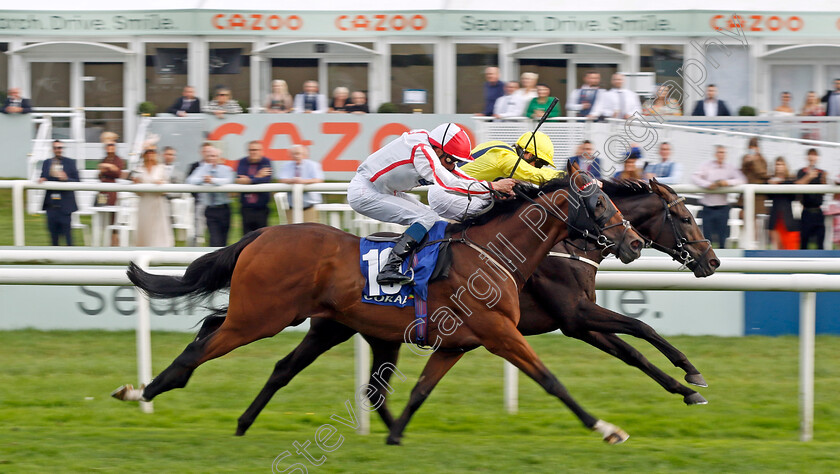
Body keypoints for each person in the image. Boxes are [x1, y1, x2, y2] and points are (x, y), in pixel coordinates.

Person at [348, 123, 516, 285]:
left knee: (434, 220)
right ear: (438, 150)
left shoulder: (432, 148)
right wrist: (492, 186)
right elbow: (448, 182)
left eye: (455, 161)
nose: (452, 165)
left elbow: (459, 176)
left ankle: (417, 265)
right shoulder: (421, 150)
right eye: (450, 159)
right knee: (426, 217)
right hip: (365, 192)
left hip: (383, 190)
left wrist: (491, 192)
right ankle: (389, 268)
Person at [428, 131, 561, 220]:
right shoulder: (506, 159)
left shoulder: (499, 147)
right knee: (507, 213)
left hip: (454, 191)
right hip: (447, 193)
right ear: (530, 155)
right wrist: (569, 176)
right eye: (539, 164)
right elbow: (535, 175)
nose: (539, 167)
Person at [691, 145, 746, 248]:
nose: (721, 155)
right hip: (708, 207)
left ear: (725, 155)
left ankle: (723, 260)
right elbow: (694, 177)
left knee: (723, 238)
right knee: (707, 238)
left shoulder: (730, 168)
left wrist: (727, 182)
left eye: (723, 152)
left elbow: (741, 179)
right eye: (719, 152)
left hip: (723, 208)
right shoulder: (706, 166)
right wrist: (708, 185)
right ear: (715, 154)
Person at [186, 146, 235, 247]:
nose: (212, 158)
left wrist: (213, 180)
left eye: (215, 156)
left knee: (224, 239)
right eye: (210, 156)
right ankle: (213, 261)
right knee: (214, 239)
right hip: (210, 209)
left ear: (219, 157)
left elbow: (228, 180)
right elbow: (190, 180)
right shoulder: (202, 169)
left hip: (224, 208)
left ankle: (223, 262)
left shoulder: (226, 169)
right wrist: (204, 179)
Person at [39, 140, 79, 246]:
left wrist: (66, 178)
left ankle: (71, 256)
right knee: (53, 234)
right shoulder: (47, 163)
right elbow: (44, 177)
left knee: (67, 235)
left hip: (66, 205)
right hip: (51, 204)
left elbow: (77, 181)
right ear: (53, 149)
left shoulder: (70, 163)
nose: (58, 150)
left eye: (60, 147)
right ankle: (54, 257)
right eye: (56, 148)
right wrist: (42, 179)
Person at [132, 149, 175, 247]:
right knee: (144, 224)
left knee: (159, 225)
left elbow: (167, 186)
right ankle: (143, 245)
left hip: (157, 201)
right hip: (145, 201)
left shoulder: (161, 168)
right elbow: (137, 190)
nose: (150, 156)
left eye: (152, 153)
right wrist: (136, 183)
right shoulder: (140, 169)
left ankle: (160, 246)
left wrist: (160, 184)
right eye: (148, 153)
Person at [278, 144, 325, 224]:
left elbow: (319, 180)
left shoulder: (313, 165)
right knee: (291, 232)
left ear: (305, 155)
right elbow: (281, 179)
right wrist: (292, 181)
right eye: (294, 153)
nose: (297, 156)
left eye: (299, 153)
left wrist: (302, 182)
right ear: (290, 155)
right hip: (292, 206)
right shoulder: (286, 166)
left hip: (309, 206)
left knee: (310, 231)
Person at [235, 141, 273, 233]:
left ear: (261, 151)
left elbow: (266, 180)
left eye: (256, 150)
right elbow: (239, 180)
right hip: (246, 208)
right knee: (246, 239)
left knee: (261, 238)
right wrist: (258, 176)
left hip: (261, 208)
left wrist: (249, 179)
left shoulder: (266, 162)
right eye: (251, 150)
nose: (254, 152)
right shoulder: (242, 162)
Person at [795, 148, 827, 249]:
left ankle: (821, 263)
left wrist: (824, 181)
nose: (812, 157)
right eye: (811, 155)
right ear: (807, 157)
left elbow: (823, 192)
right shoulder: (802, 172)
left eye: (814, 155)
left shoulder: (821, 173)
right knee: (804, 242)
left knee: (820, 243)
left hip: (818, 211)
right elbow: (797, 185)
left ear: (817, 158)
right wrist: (809, 176)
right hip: (806, 211)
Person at [767, 157, 799, 250]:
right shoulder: (770, 181)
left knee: (790, 249)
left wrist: (780, 183)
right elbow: (768, 195)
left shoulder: (790, 180)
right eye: (777, 164)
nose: (779, 167)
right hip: (775, 217)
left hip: (788, 218)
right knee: (777, 249)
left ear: (785, 166)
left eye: (781, 164)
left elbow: (793, 196)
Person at [186, 142, 215, 245]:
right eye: (206, 151)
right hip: (200, 202)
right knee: (198, 229)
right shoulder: (195, 167)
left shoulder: (218, 166)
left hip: (214, 204)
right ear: (201, 152)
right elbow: (189, 182)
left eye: (210, 152)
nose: (208, 154)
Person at [739, 137, 769, 217]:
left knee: (755, 218)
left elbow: (763, 173)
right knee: (743, 217)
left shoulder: (762, 160)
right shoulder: (745, 158)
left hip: (757, 196)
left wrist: (755, 161)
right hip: (745, 194)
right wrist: (746, 163)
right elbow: (742, 173)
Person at [96, 140, 125, 207]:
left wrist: (108, 166)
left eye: (112, 146)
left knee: (111, 207)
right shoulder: (104, 159)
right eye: (108, 146)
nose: (110, 148)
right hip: (102, 188)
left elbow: (118, 173)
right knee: (101, 206)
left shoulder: (118, 159)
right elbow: (100, 172)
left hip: (112, 188)